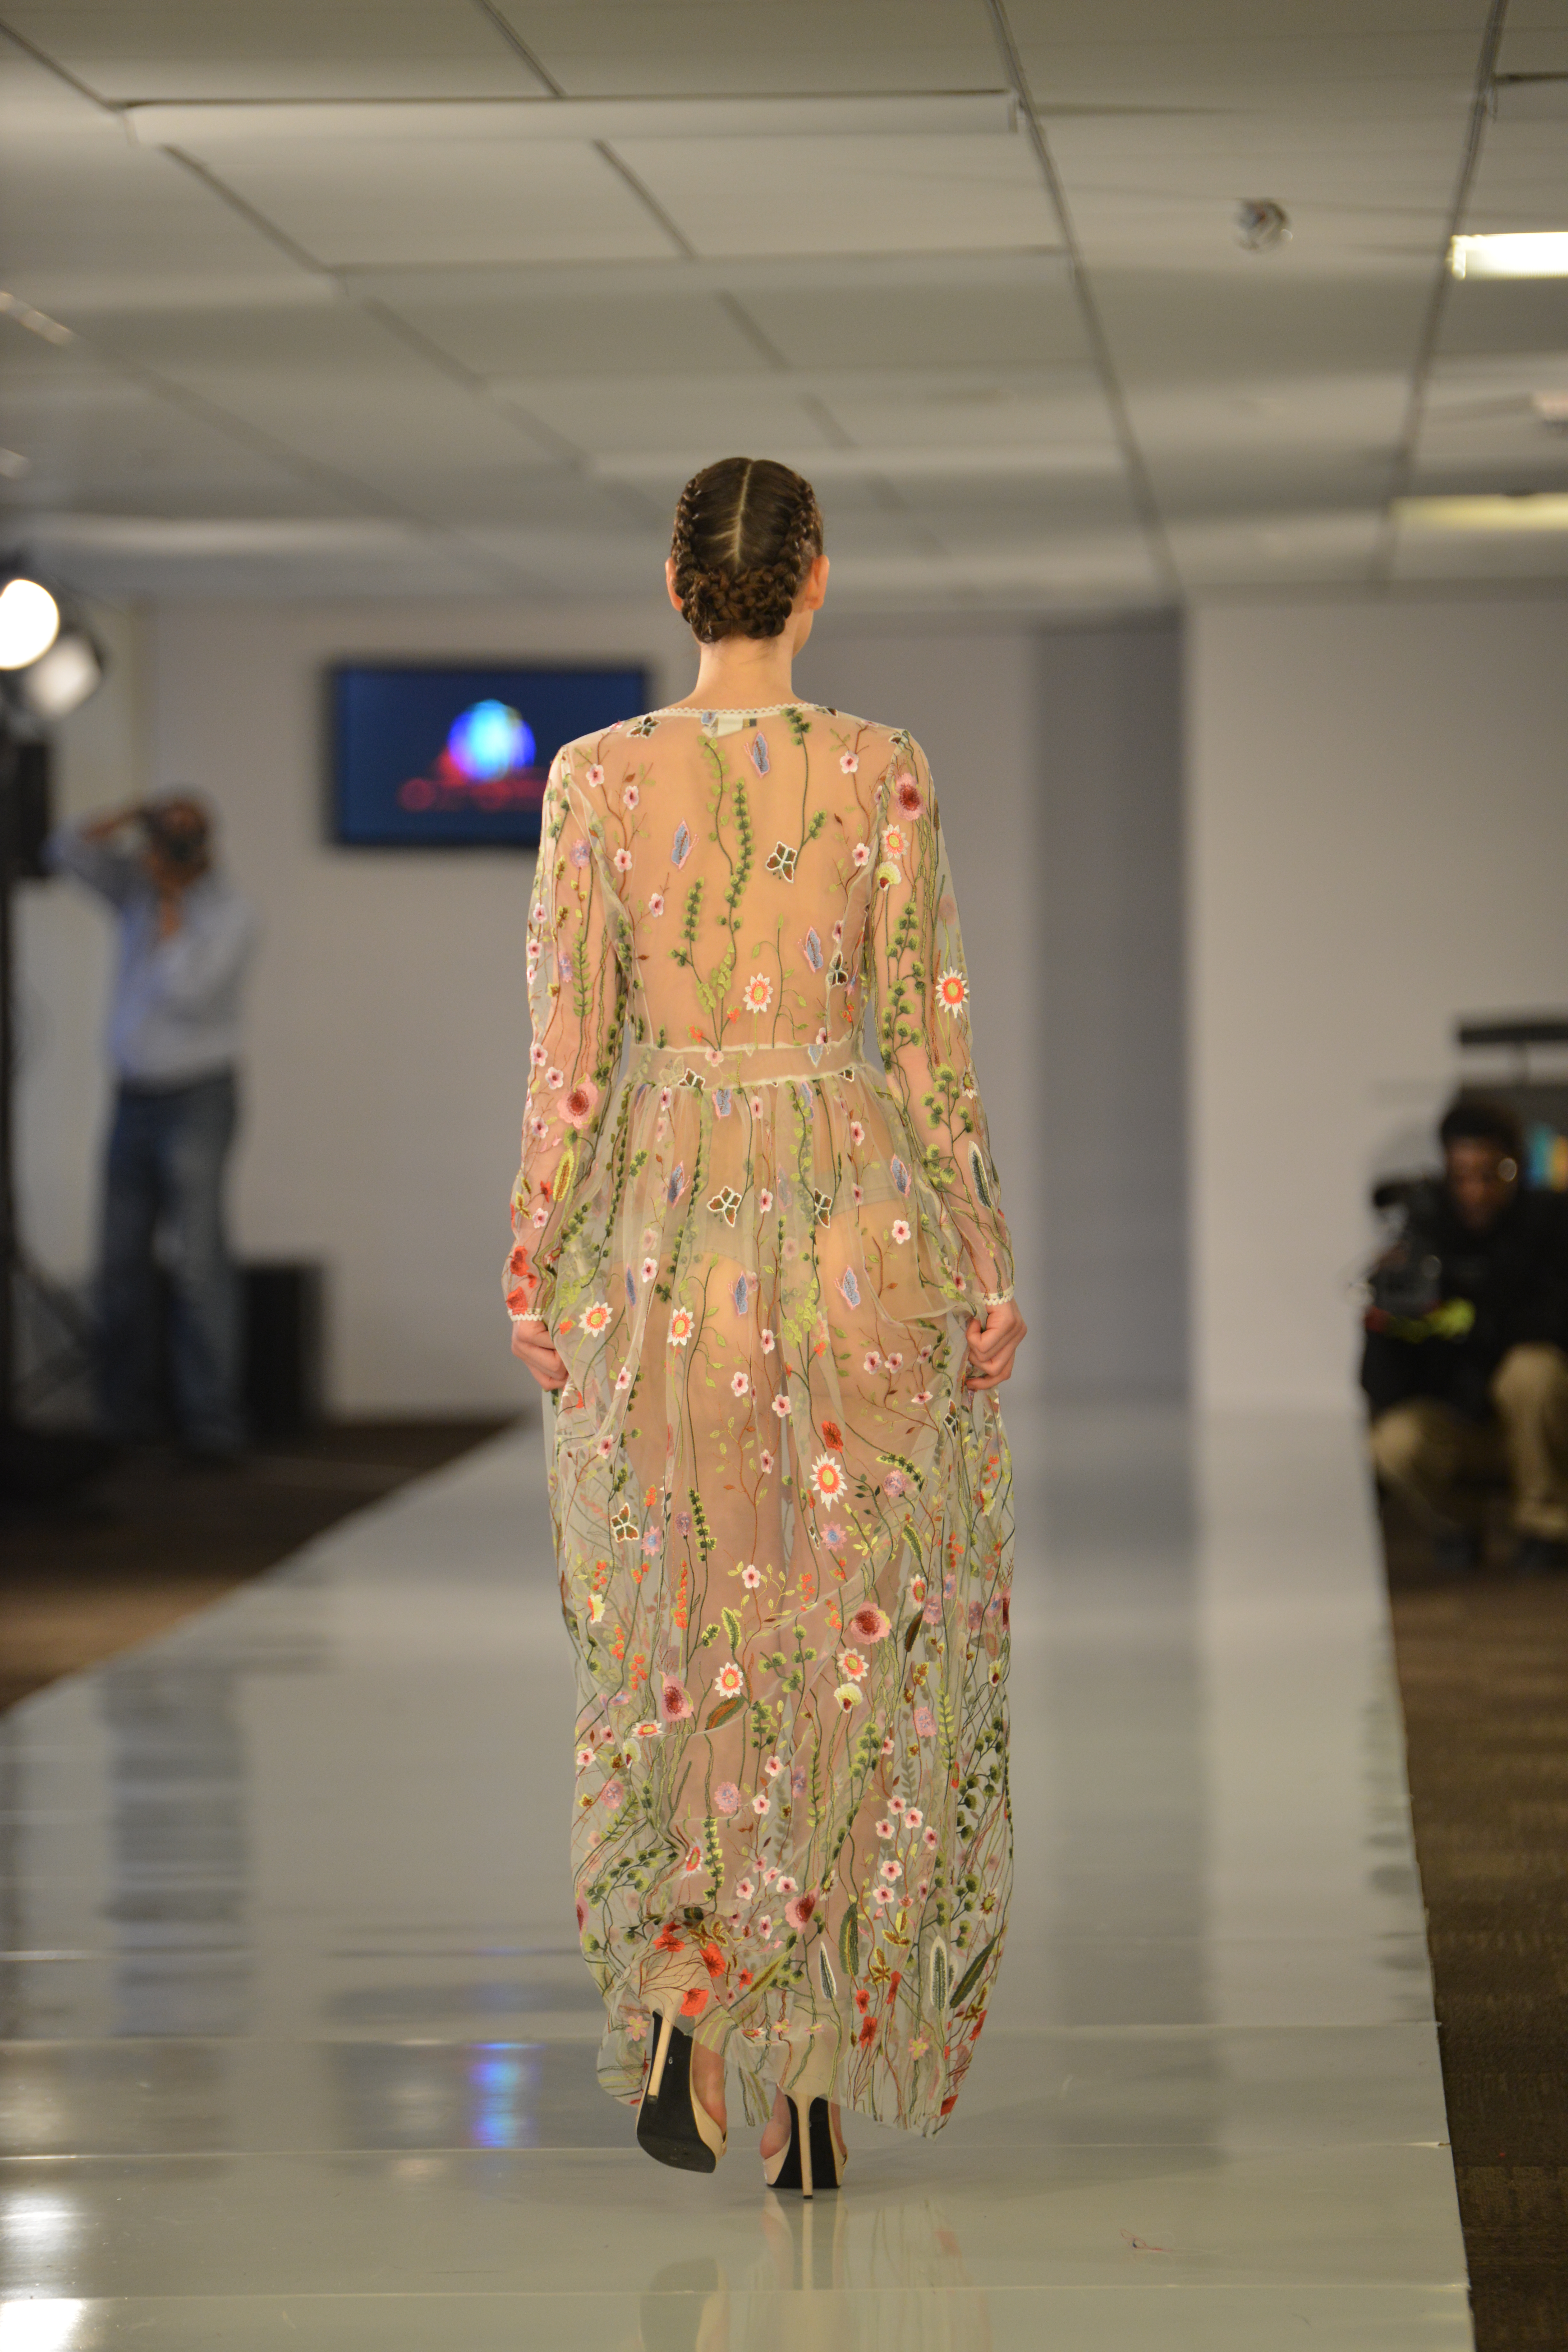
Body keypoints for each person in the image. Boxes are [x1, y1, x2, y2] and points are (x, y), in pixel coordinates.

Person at [506, 457, 1026, 2191]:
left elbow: (566, 1056)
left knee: (679, 1619)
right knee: (848, 1628)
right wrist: (980, 1246)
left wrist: (536, 1263)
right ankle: (809, 2080)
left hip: (665, 1233)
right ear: (813, 580)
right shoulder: (877, 772)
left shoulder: (591, 780)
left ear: (674, 580)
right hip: (848, 1219)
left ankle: (690, 1998)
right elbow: (924, 1035)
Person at [46, 793, 255, 1461]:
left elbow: (184, 992)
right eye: (164, 837)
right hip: (132, 1097)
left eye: (182, 839)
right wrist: (135, 811)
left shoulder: (230, 915)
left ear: (209, 847)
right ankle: (123, 1421)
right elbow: (64, 850)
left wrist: (171, 902)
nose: (168, 851)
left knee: (197, 1264)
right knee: (119, 1262)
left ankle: (213, 1425)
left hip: (197, 1099)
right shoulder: (134, 891)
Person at [1364, 1096, 1568, 1576]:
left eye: (1489, 1174)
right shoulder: (1424, 1237)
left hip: (1536, 1421)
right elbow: (1382, 1389)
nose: (1475, 1192)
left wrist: (1473, 1315)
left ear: (1514, 1167)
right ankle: (1456, 1526)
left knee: (1531, 1372)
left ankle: (1545, 1526)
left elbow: (1553, 1324)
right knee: (1391, 1442)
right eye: (1461, 1176)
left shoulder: (1550, 1226)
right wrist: (1389, 1318)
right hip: (1461, 1420)